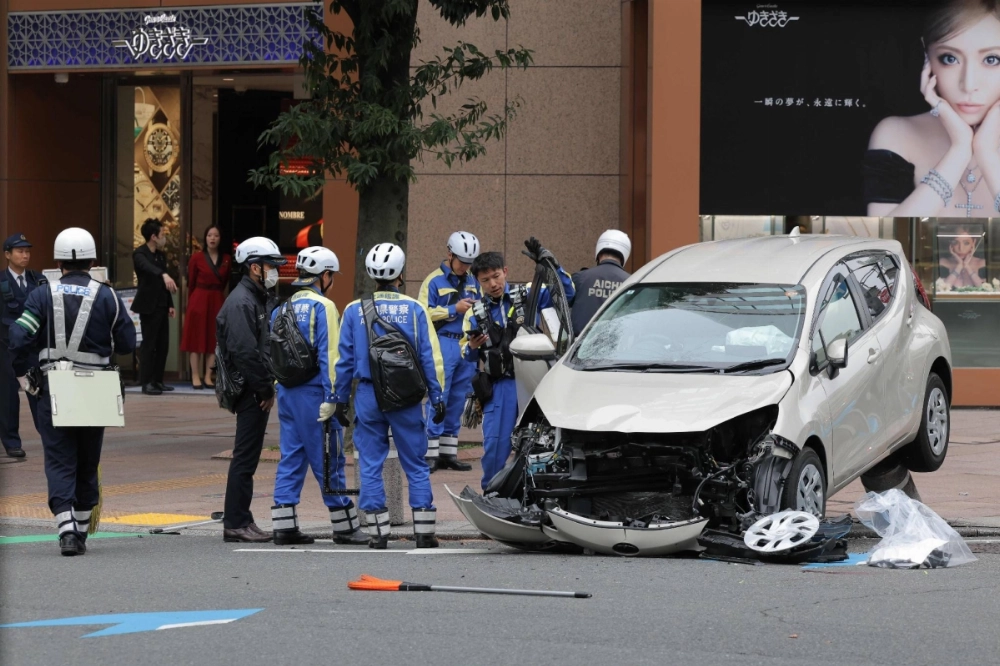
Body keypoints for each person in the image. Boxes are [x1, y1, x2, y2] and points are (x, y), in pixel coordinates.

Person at [8, 228, 136, 555]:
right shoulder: (108, 295)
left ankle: (65, 528)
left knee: (59, 456)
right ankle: (79, 528)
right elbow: (125, 342)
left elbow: (19, 337)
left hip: (54, 386)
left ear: (58, 261)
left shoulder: (40, 294)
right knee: (88, 457)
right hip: (97, 386)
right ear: (93, 261)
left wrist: (23, 374)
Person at [333, 243, 446, 549]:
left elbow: (342, 362)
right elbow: (430, 357)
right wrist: (437, 396)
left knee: (370, 462)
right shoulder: (415, 309)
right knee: (416, 461)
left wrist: (339, 400)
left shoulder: (354, 310)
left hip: (368, 395)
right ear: (400, 273)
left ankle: (377, 534)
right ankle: (424, 532)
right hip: (407, 397)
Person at [269, 246, 368, 546]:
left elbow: (273, 354)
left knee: (291, 457)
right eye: (332, 276)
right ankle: (345, 527)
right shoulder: (322, 306)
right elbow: (330, 356)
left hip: (287, 394)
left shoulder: (280, 308)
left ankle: (283, 526)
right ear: (324, 276)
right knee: (329, 459)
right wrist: (334, 398)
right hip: (316, 397)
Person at [865, 0, 1000, 217]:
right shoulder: (898, 134)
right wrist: (959, 150)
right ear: (926, 55)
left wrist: (987, 154)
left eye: (992, 59)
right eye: (949, 58)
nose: (968, 84)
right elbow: (882, 238)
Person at [463, 239, 575, 491]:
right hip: (499, 387)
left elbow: (567, 294)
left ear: (506, 271)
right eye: (485, 280)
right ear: (478, 283)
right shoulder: (474, 312)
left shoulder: (528, 295)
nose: (493, 284)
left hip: (533, 382)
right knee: (495, 446)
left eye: (496, 276)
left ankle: (534, 494)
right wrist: (471, 349)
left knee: (539, 443)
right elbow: (467, 356)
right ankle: (491, 495)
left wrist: (550, 265)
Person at [216, 236, 286, 543]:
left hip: (253, 387)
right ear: (254, 268)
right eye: (271, 266)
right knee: (244, 457)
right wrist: (264, 389)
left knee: (248, 457)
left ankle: (242, 518)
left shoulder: (255, 297)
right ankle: (235, 522)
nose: (275, 271)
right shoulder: (242, 301)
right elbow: (245, 352)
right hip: (248, 389)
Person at [417, 231, 480, 472]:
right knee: (438, 396)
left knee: (457, 399)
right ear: (449, 254)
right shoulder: (433, 281)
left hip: (466, 344)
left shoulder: (474, 281)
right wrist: (453, 309)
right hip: (442, 342)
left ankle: (448, 453)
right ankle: (430, 453)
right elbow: (421, 313)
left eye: (469, 263)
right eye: (462, 261)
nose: (465, 266)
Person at [1, 234, 42, 458]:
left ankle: (49, 436)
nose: (25, 255)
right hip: (5, 349)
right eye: (20, 251)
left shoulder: (38, 280)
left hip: (32, 348)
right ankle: (11, 442)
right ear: (8, 255)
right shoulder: (1, 282)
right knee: (7, 397)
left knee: (39, 393)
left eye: (27, 251)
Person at [181, 225, 231, 389]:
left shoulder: (226, 259)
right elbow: (191, 283)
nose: (212, 238)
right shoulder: (196, 258)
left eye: (216, 235)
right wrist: (189, 306)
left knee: (214, 339)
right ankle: (195, 375)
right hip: (199, 299)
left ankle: (208, 376)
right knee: (195, 339)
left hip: (217, 299)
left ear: (220, 238)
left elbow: (224, 282)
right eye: (209, 235)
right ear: (205, 237)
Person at [131, 219, 177, 395]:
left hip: (161, 304)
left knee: (163, 344)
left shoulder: (160, 255)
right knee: (149, 345)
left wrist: (170, 304)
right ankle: (146, 382)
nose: (164, 237)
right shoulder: (140, 254)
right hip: (148, 305)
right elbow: (147, 268)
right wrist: (163, 274)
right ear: (153, 236)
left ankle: (158, 380)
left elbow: (165, 284)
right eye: (162, 234)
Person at [570, 230, 632, 336]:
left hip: (580, 348)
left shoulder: (580, 278)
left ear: (598, 252)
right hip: (618, 348)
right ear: (624, 255)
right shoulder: (631, 282)